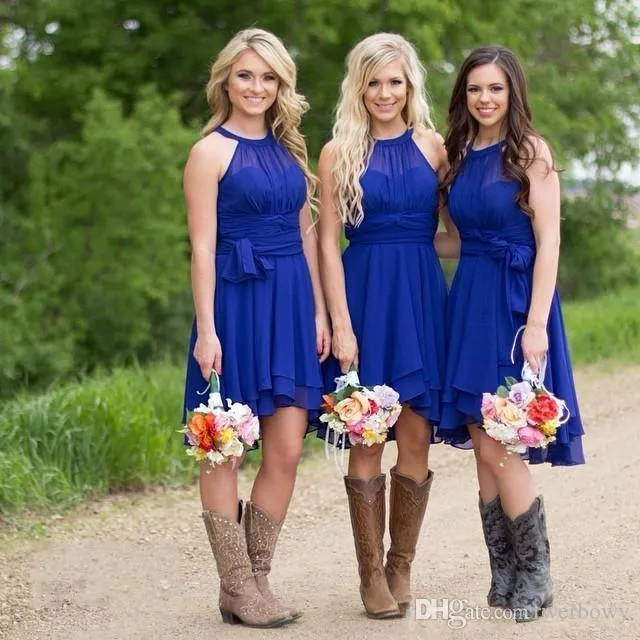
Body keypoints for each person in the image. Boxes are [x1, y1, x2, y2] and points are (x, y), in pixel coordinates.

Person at [182, 28, 330, 628]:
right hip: (235, 308)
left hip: (291, 304)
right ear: (226, 80)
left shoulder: (291, 151)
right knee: (224, 451)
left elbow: (304, 236)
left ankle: (258, 577)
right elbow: (200, 247)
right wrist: (206, 329)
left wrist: (320, 311)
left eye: (268, 77)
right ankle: (237, 588)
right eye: (246, 75)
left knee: (288, 450)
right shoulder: (208, 152)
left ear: (281, 85)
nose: (257, 87)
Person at [435, 45, 585, 622]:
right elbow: (454, 240)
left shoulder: (530, 152)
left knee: (501, 442)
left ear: (512, 92)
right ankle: (503, 573)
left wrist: (537, 323)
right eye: (475, 89)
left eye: (495, 88)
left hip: (518, 301)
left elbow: (548, 240)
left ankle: (537, 573)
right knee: (481, 442)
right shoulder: (457, 155)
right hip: (469, 296)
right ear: (464, 96)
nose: (485, 99)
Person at [316, 33, 449, 619]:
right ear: (359, 87)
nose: (385, 92)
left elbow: (452, 231)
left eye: (395, 81)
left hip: (423, 299)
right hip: (366, 298)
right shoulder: (338, 152)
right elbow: (325, 245)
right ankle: (369, 573)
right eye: (374, 82)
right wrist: (342, 326)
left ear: (410, 85)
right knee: (367, 436)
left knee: (416, 435)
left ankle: (401, 565)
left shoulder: (434, 147)